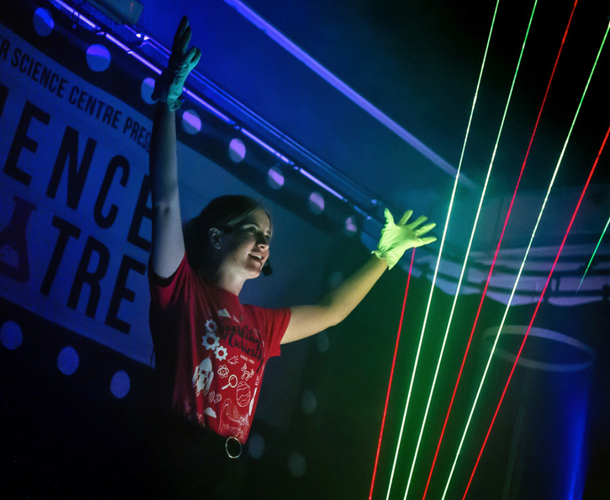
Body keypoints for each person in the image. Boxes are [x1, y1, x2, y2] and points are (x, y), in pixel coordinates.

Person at [146, 16, 437, 500]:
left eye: (269, 237)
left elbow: (331, 312)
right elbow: (166, 201)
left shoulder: (261, 325)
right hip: (178, 455)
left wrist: (385, 256)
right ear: (216, 237)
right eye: (254, 232)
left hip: (226, 472)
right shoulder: (182, 289)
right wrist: (168, 103)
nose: (264, 243)